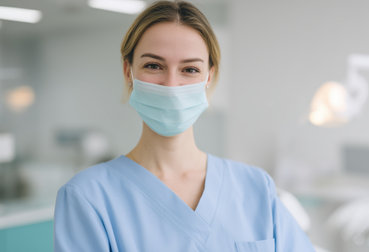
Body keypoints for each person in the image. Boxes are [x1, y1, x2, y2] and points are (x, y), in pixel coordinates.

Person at [54, 1, 315, 251]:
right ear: (128, 72)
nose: (171, 85)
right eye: (153, 66)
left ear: (208, 77)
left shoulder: (256, 187)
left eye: (189, 69)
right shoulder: (88, 197)